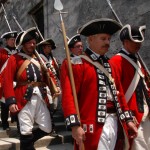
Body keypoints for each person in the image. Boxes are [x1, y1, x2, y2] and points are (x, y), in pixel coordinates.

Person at [60, 18, 137, 150]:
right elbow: (69, 97)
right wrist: (74, 126)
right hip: (93, 125)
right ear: (91, 39)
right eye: (103, 39)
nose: (107, 42)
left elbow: (120, 95)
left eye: (108, 39)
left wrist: (128, 119)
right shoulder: (76, 64)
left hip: (115, 122)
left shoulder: (111, 65)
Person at [3, 27, 57, 150]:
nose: (32, 45)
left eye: (33, 43)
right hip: (23, 96)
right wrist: (11, 101)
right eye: (29, 43)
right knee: (26, 131)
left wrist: (53, 87)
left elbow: (45, 78)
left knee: (47, 127)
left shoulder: (39, 60)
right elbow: (7, 80)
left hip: (41, 96)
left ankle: (27, 144)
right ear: (23, 44)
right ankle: (27, 145)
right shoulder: (14, 58)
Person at [110, 24, 150, 150]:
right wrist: (127, 118)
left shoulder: (137, 60)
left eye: (140, 42)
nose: (139, 45)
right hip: (133, 116)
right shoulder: (115, 62)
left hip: (146, 113)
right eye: (135, 42)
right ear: (126, 42)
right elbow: (117, 93)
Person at [37, 38, 60, 137]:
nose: (50, 49)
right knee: (50, 106)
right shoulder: (39, 58)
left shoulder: (52, 59)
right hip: (46, 86)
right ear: (44, 48)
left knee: (54, 107)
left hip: (55, 86)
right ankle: (51, 128)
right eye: (48, 47)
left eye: (50, 47)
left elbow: (57, 73)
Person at [0, 31, 18, 130]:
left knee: (16, 101)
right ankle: (5, 123)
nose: (13, 41)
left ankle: (15, 119)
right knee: (4, 104)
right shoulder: (1, 52)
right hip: (4, 82)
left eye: (15, 40)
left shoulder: (18, 53)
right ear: (7, 41)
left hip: (15, 81)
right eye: (11, 40)